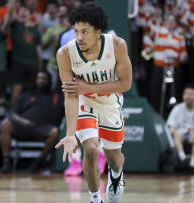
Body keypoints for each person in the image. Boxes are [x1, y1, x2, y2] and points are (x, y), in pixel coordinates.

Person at [55, 3, 132, 203]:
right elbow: (71, 95)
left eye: (85, 32)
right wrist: (70, 135)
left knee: (115, 159)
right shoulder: (65, 54)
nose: (79, 37)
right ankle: (95, 198)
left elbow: (125, 84)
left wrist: (89, 87)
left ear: (98, 32)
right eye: (76, 31)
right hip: (83, 101)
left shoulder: (117, 45)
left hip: (109, 102)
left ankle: (116, 175)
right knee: (90, 149)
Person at [0, 71, 63, 173]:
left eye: (43, 78)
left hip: (42, 129)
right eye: (38, 78)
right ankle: (6, 161)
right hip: (23, 127)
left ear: (49, 81)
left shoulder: (55, 97)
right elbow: (13, 114)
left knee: (55, 132)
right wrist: (23, 121)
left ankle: (39, 161)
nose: (41, 81)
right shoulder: (25, 95)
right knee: (5, 124)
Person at [167, 85, 194, 171]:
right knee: (176, 134)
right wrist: (172, 130)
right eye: (186, 94)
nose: (188, 96)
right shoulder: (177, 108)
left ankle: (192, 164)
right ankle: (183, 158)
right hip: (181, 134)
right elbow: (171, 125)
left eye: (191, 94)